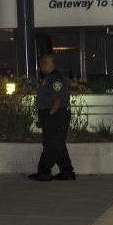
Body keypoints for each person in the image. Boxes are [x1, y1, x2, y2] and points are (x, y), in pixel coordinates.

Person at [28, 53, 76, 181]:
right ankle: (67, 172)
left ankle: (44, 172)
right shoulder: (49, 77)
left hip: (56, 114)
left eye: (43, 63)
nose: (41, 66)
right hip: (52, 114)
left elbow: (58, 98)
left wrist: (50, 114)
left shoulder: (55, 77)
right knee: (57, 143)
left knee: (51, 144)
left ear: (49, 64)